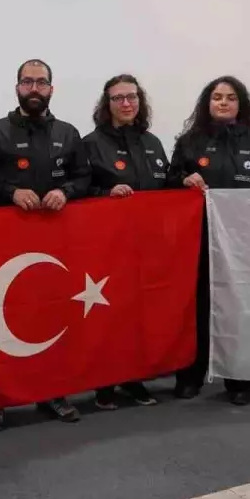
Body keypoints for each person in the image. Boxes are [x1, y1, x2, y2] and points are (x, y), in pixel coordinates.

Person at [0, 58, 91, 431]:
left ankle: (53, 392)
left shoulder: (69, 134)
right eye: (27, 82)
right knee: (1, 318)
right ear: (17, 87)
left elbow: (85, 178)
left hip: (55, 246)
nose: (34, 89)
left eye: (41, 82)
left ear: (52, 88)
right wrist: (10, 192)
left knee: (52, 315)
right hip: (4, 247)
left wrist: (66, 191)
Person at [168, 77, 250, 405]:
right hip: (198, 239)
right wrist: (184, 179)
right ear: (207, 103)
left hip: (242, 242)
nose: (223, 102)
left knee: (238, 309)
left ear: (240, 104)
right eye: (217, 97)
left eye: (231, 97)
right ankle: (190, 374)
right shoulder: (190, 141)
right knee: (196, 308)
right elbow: (170, 180)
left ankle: (239, 380)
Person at [82, 74, 168, 409]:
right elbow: (80, 188)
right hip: (107, 245)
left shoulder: (153, 143)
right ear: (107, 104)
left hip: (147, 245)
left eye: (132, 97)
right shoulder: (91, 144)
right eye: (118, 98)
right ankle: (104, 383)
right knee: (108, 314)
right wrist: (106, 192)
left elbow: (168, 186)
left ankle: (134, 378)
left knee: (139, 313)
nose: (126, 103)